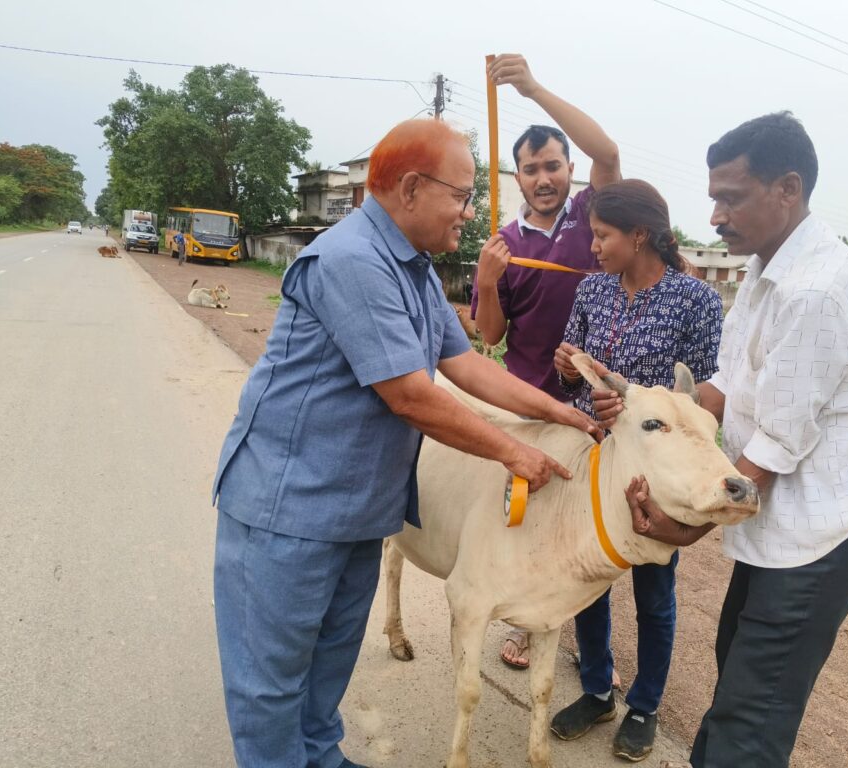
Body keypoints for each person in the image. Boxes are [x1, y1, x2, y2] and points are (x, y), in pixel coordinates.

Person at [211, 118, 601, 768]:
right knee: (271, 684)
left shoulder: (415, 270)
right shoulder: (352, 260)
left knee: (328, 663)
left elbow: (468, 366)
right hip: (289, 511)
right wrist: (515, 453)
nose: (470, 212)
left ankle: (321, 757)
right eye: (462, 194)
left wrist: (563, 416)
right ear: (413, 188)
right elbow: (412, 396)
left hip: (360, 509)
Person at [596, 112, 848, 767]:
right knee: (737, 664)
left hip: (824, 529)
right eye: (713, 199)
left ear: (787, 189)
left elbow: (772, 449)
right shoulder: (765, 275)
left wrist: (685, 526)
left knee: (754, 707)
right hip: (782, 519)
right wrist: (638, 411)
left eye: (729, 199)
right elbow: (721, 391)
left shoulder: (817, 291)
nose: (714, 218)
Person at [547, 179, 723, 761]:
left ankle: (644, 704)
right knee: (588, 580)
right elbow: (569, 368)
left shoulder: (695, 301)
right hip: (593, 457)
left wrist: (639, 410)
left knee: (654, 586)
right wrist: (573, 373)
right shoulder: (592, 291)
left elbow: (698, 402)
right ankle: (597, 689)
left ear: (639, 235)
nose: (593, 247)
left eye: (602, 235)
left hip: (653, 471)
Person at [471, 52, 622, 671]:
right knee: (525, 513)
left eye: (553, 165)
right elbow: (490, 335)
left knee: (589, 527)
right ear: (517, 176)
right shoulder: (505, 242)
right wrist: (484, 281)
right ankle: (524, 625)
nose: (543, 177)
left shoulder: (592, 219)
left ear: (568, 170)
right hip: (527, 398)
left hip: (593, 401)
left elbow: (607, 153)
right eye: (530, 169)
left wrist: (532, 89)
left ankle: (589, 651)